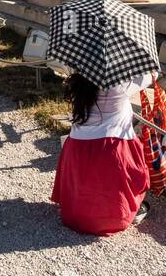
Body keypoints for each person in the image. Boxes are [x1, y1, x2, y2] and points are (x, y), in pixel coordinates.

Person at [51, 72, 153, 236]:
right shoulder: (121, 85)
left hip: (77, 149)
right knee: (133, 148)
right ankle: (125, 210)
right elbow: (151, 75)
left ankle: (81, 210)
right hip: (110, 151)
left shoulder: (78, 82)